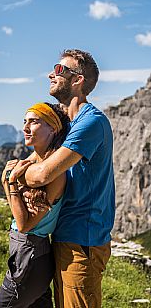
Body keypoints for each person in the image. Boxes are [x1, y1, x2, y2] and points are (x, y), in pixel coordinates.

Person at [9, 49, 115, 308]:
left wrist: (14, 175)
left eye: (59, 70)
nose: (51, 74)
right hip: (63, 236)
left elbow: (43, 174)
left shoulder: (91, 122)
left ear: (77, 80)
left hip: (83, 240)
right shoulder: (67, 123)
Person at [0, 102, 69, 308]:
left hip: (31, 256)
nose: (25, 128)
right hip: (27, 254)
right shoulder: (34, 161)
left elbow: (25, 224)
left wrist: (10, 183)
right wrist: (7, 181)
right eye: (25, 121)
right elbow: (18, 211)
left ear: (53, 128)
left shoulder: (55, 175)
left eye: (33, 122)